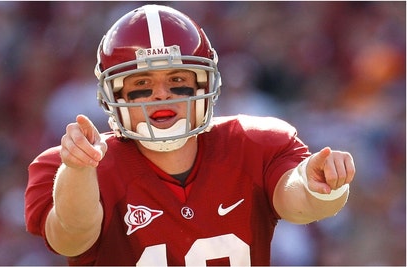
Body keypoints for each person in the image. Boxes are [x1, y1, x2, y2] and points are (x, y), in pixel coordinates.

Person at [25, 4, 355, 266]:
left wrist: (318, 186)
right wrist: (78, 170)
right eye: (142, 84)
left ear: (205, 84)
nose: (162, 95)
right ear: (112, 96)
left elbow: (298, 204)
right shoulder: (69, 168)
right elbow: (69, 238)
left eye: (177, 80)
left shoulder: (254, 143)